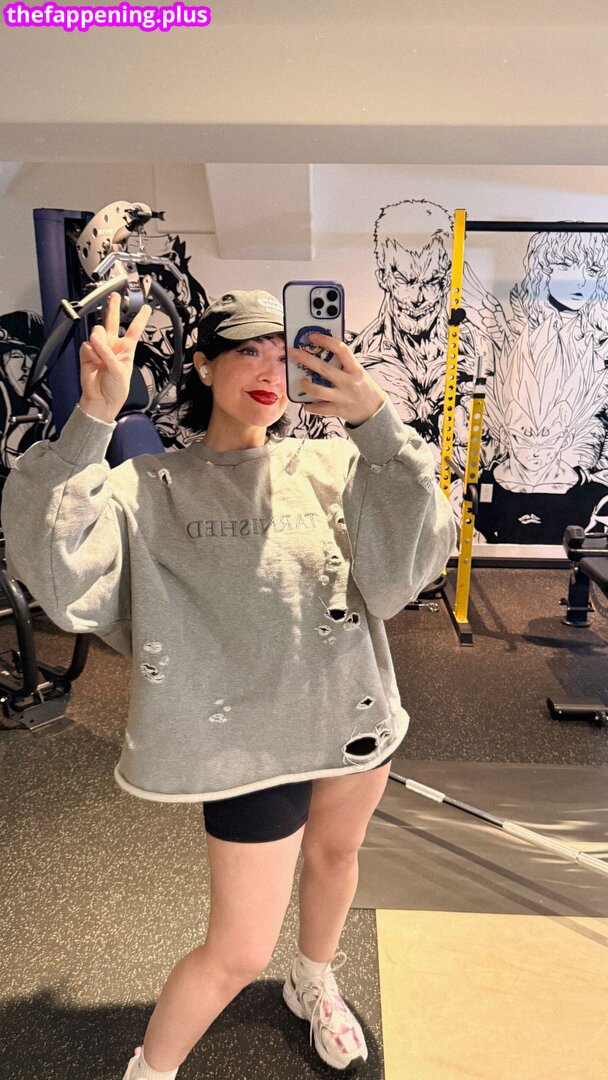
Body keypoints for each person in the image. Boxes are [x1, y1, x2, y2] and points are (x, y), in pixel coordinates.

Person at [1, 289, 455, 1078]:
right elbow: (54, 563)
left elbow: (403, 572)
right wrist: (92, 419)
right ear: (204, 365)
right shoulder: (150, 486)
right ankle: (151, 1069)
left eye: (288, 353)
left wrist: (378, 421)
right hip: (246, 743)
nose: (272, 371)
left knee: (337, 858)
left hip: (350, 714)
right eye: (249, 350)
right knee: (240, 950)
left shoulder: (331, 464)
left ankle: (313, 980)